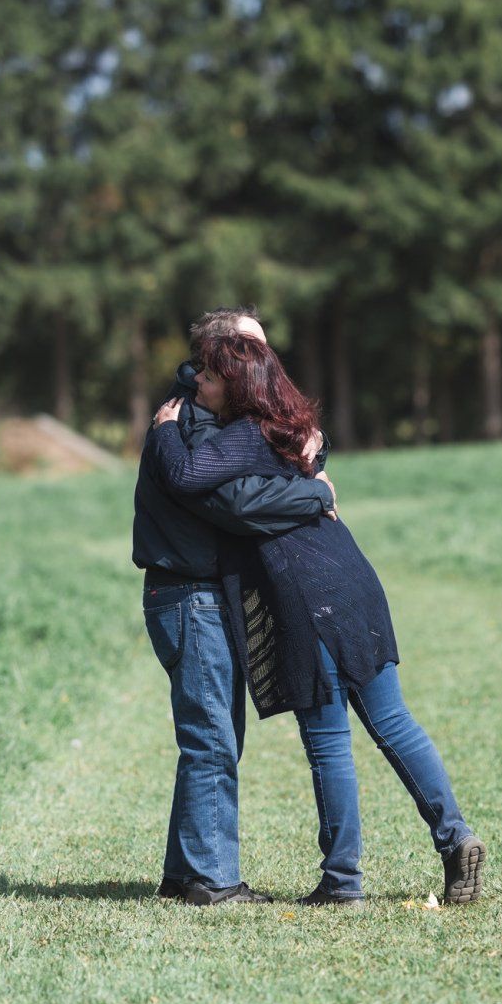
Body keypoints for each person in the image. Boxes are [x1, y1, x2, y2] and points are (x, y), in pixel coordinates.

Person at [145, 331, 486, 907]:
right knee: (393, 720)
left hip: (304, 593)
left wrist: (169, 431)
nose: (192, 379)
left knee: (329, 741)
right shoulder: (290, 431)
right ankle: (456, 838)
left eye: (206, 374)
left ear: (236, 386)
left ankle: (343, 882)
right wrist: (317, 491)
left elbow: (230, 504)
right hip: (352, 577)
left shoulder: (235, 443)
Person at [133, 308, 336, 905]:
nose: (268, 363)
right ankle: (210, 879)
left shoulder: (212, 415)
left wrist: (308, 464)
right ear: (220, 360)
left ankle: (184, 872)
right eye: (253, 349)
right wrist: (314, 493)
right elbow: (241, 503)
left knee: (214, 733)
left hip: (196, 592)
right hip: (188, 593)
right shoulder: (194, 421)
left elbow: (274, 462)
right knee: (213, 738)